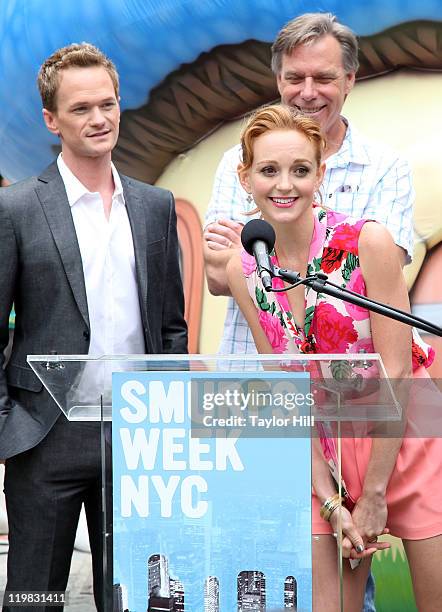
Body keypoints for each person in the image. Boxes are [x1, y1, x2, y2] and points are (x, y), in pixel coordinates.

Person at [226, 103, 442, 612]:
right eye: (269, 170)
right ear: (245, 176)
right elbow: (284, 391)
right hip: (323, 449)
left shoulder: (369, 240)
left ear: (320, 174)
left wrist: (372, 494)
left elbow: (397, 370)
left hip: (406, 435)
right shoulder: (244, 267)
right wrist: (327, 495)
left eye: (301, 170)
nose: (286, 184)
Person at [0, 43, 187, 611]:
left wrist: (169, 418)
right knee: (32, 601)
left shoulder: (155, 205)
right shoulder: (17, 211)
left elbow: (171, 327)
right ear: (52, 120)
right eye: (81, 109)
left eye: (107, 104)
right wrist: (6, 428)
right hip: (43, 437)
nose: (99, 119)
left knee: (135, 600)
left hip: (139, 435)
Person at [204, 12, 414, 357]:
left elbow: (381, 272)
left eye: (323, 78)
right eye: (295, 78)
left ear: (349, 79)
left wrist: (256, 260)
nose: (308, 92)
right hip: (255, 378)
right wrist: (339, 254)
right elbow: (218, 274)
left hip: (355, 391)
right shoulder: (234, 161)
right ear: (278, 80)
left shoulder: (386, 167)